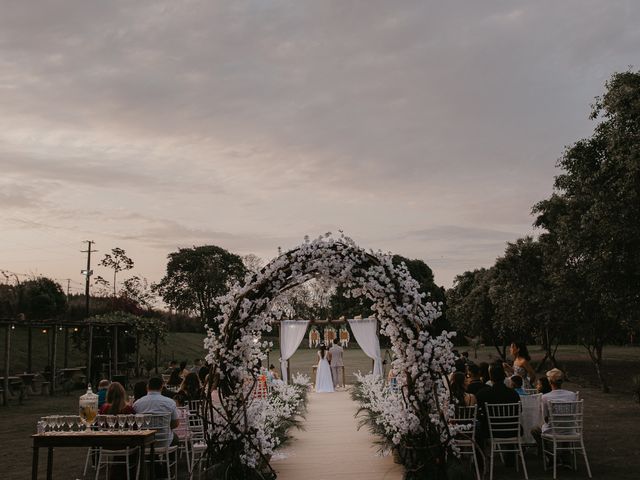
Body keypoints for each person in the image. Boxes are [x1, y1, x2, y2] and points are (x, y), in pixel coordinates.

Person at [531, 369, 577, 460]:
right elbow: (573, 413)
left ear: (549, 382)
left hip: (553, 430)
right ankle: (565, 454)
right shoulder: (572, 395)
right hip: (569, 429)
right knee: (564, 424)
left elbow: (545, 418)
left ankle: (548, 454)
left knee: (534, 430)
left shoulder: (545, 397)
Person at [133, 377, 180, 446]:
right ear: (161, 387)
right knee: (176, 439)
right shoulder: (170, 402)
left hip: (145, 440)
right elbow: (175, 423)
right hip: (165, 440)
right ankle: (169, 456)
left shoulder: (137, 404)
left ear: (147, 387)